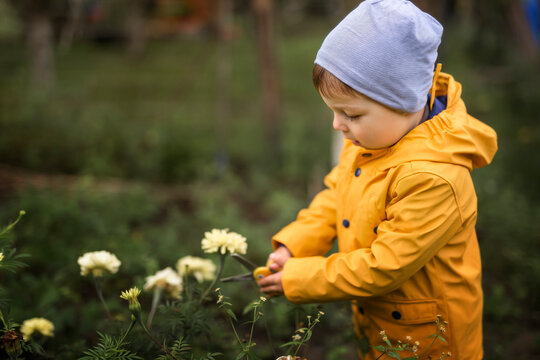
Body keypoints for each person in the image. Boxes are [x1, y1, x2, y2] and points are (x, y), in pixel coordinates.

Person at [257, 1, 498, 359]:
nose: (338, 125)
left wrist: (299, 278)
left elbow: (383, 266)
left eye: (351, 114)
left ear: (405, 101)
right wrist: (295, 246)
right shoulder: (371, 139)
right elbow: (336, 193)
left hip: (431, 342)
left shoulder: (432, 177)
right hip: (384, 326)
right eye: (334, 112)